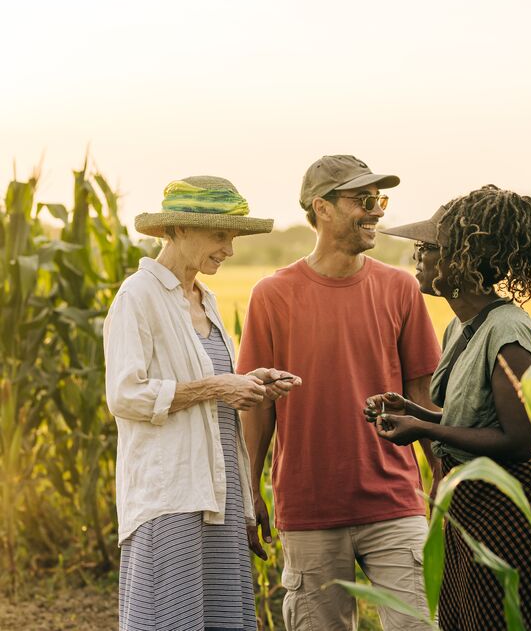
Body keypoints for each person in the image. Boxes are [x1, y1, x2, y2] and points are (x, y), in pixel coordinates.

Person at [238, 154, 441, 631]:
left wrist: (440, 474)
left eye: (378, 199)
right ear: (321, 208)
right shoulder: (272, 295)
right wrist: (250, 492)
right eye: (362, 200)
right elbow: (257, 407)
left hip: (395, 502)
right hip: (309, 509)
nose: (375, 210)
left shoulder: (400, 290)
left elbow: (421, 394)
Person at [365, 184, 531, 631]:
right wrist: (416, 412)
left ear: (462, 260)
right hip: (472, 503)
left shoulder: (509, 332)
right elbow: (479, 420)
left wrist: (425, 431)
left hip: (509, 507)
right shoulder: (461, 328)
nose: (417, 257)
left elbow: (517, 442)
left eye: (428, 248)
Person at [104, 176, 301, 631]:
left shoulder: (204, 298)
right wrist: (216, 387)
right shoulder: (138, 297)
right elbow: (125, 394)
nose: (229, 249)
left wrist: (248, 383)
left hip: (220, 492)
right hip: (170, 493)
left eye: (232, 237)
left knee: (220, 619)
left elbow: (200, 381)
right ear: (178, 231)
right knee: (169, 619)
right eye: (220, 235)